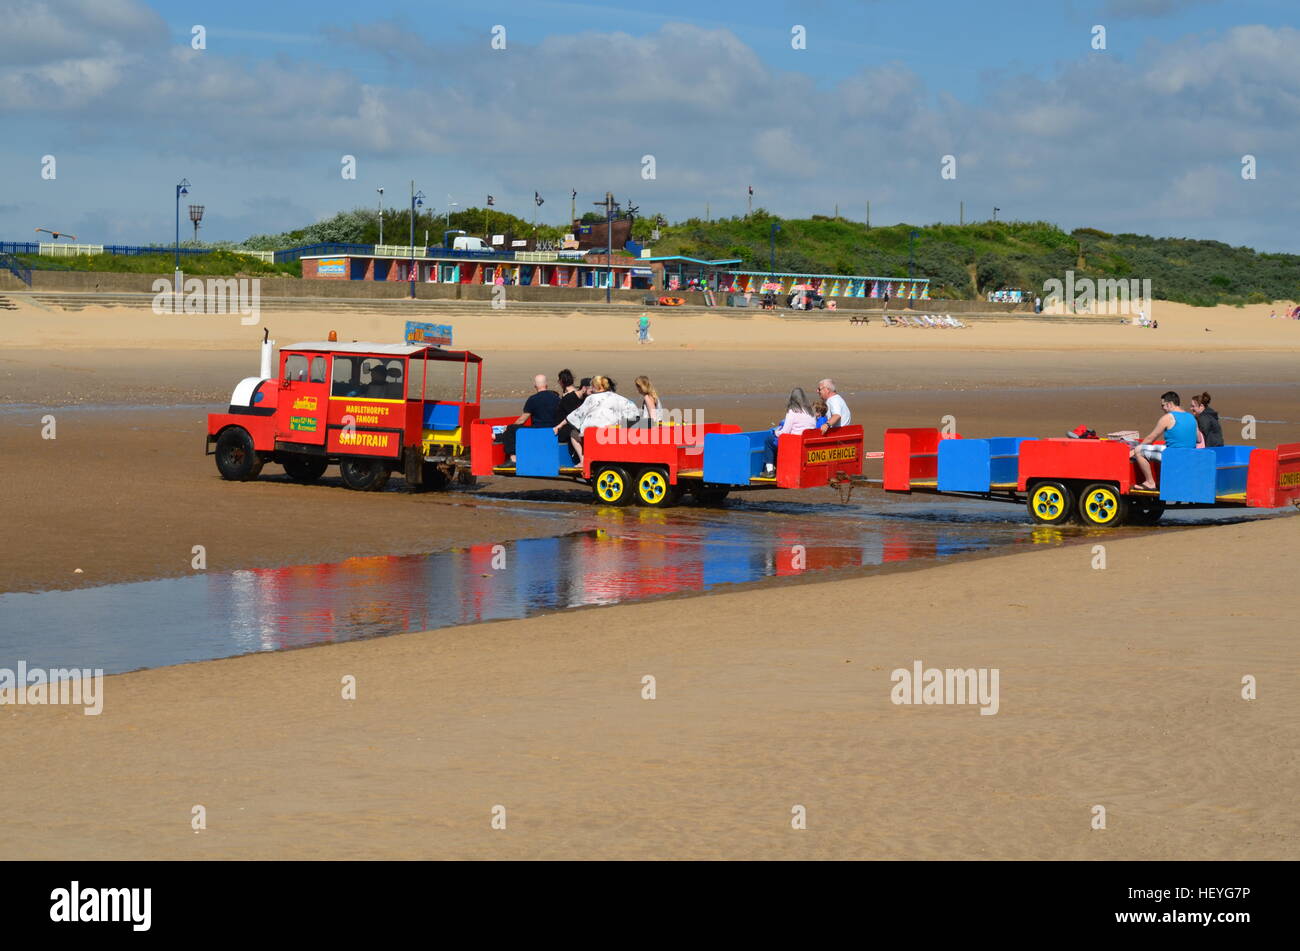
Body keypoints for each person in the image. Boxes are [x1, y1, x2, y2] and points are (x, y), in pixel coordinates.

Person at [553, 375, 639, 464]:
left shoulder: (591, 398)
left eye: (592, 386)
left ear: (596, 387)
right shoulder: (619, 398)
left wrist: (559, 426)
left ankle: (583, 461)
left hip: (595, 436)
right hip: (613, 435)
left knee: (573, 434)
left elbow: (576, 414)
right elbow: (634, 414)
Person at [1130, 391, 1200, 490]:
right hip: (1189, 455)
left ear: (1169, 404)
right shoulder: (1191, 417)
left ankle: (1150, 483)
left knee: (1139, 451)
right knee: (1162, 447)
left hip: (1174, 455)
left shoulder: (1168, 418)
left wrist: (1133, 451)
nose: (1162, 408)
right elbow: (1198, 439)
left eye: (1163, 405)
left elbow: (1151, 438)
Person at [501, 374, 561, 460]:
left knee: (511, 429)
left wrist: (509, 427)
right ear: (546, 385)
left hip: (537, 431)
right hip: (553, 431)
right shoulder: (556, 398)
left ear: (535, 386)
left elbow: (522, 420)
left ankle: (513, 458)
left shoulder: (533, 399)